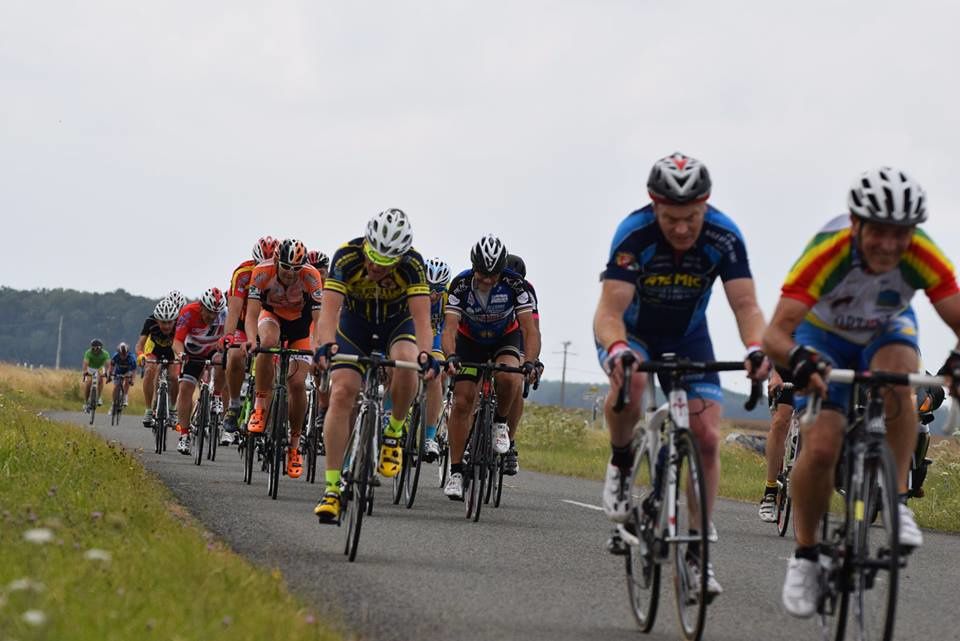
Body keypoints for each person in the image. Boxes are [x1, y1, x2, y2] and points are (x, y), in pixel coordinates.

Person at [762, 167, 960, 618]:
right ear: (856, 224)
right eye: (879, 233)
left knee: (901, 380)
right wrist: (802, 360)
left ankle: (895, 498)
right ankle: (806, 556)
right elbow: (775, 334)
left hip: (885, 328)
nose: (890, 245)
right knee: (823, 442)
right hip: (825, 335)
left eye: (901, 234)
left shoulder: (922, 253)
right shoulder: (828, 251)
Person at [593, 152, 769, 600]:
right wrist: (616, 349)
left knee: (707, 435)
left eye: (691, 217)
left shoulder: (724, 236)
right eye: (672, 218)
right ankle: (620, 462)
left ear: (705, 206)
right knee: (631, 384)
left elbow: (746, 306)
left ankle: (697, 556)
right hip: (632, 334)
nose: (683, 229)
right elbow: (609, 310)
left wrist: (755, 348)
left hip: (689, 337)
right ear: (655, 207)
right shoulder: (634, 234)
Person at [312, 209, 438, 523]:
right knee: (342, 393)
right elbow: (328, 314)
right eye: (371, 257)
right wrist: (324, 346)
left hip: (397, 325)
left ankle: (393, 433)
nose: (373, 266)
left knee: (409, 362)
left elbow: (422, 321)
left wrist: (427, 354)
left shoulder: (412, 265)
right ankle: (331, 490)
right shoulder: (346, 257)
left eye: (384, 264)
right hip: (354, 325)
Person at [441, 235, 540, 500]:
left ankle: (499, 423)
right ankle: (456, 471)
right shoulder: (460, 285)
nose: (487, 280)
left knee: (509, 377)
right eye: (483, 274)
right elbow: (449, 328)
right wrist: (450, 356)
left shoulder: (515, 285)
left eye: (493, 275)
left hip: (504, 338)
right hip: (469, 341)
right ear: (474, 267)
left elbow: (530, 330)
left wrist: (529, 361)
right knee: (462, 401)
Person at [243, 238, 324, 480]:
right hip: (273, 317)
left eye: (295, 270)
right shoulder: (261, 272)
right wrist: (250, 339)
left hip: (301, 325)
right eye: (286, 267)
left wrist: (318, 348)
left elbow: (319, 321)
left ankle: (295, 445)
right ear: (277, 261)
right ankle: (259, 406)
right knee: (266, 344)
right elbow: (252, 314)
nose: (290, 274)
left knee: (298, 384)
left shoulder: (311, 277)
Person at [221, 236, 277, 441]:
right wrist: (228, 336)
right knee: (235, 357)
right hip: (245, 322)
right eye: (259, 264)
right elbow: (234, 310)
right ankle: (234, 404)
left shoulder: (280, 274)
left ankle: (270, 419)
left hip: (271, 322)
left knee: (276, 368)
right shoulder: (242, 273)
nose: (263, 269)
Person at [502, 253, 544, 475]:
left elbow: (533, 330)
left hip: (515, 336)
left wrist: (533, 361)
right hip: (487, 332)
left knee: (516, 380)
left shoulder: (527, 290)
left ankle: (509, 441)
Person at [173, 288, 228, 455]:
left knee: (223, 360)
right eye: (209, 312)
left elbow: (229, 338)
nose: (212, 316)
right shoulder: (189, 312)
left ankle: (216, 395)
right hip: (192, 352)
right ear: (201, 306)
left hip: (213, 350)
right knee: (185, 390)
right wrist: (181, 354)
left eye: (215, 313)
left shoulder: (225, 314)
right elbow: (177, 341)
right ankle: (184, 435)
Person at [423, 256, 451, 461]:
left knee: (437, 374)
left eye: (438, 289)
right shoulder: (412, 292)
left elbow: (451, 329)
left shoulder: (448, 298)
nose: (432, 294)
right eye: (428, 288)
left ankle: (429, 437)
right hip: (411, 335)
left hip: (435, 338)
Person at [137, 297, 182, 427]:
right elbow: (140, 344)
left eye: (169, 322)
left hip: (171, 350)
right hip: (154, 350)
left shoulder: (180, 323)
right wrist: (140, 355)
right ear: (157, 320)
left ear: (175, 320)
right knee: (150, 369)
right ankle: (148, 410)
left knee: (174, 377)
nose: (167, 326)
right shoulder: (149, 322)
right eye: (163, 322)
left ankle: (173, 409)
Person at [758, 367, 795, 522]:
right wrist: (774, 374)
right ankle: (770, 491)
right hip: (785, 366)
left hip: (816, 367)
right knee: (780, 421)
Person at [81, 338, 110, 411]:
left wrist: (106, 372)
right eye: (93, 348)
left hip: (100, 368)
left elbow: (107, 364)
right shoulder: (88, 353)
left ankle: (99, 397)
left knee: (101, 380)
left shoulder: (105, 353)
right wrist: (84, 371)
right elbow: (85, 363)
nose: (95, 350)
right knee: (88, 384)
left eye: (97, 348)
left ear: (101, 348)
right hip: (90, 368)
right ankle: (86, 402)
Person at [107, 342, 137, 411]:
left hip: (128, 371)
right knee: (116, 387)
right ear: (119, 353)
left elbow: (134, 370)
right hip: (118, 371)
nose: (123, 356)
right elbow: (111, 366)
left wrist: (132, 380)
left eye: (125, 354)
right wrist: (109, 376)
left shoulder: (132, 358)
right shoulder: (115, 356)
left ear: (127, 353)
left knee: (127, 380)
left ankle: (125, 396)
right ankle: (113, 403)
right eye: (121, 354)